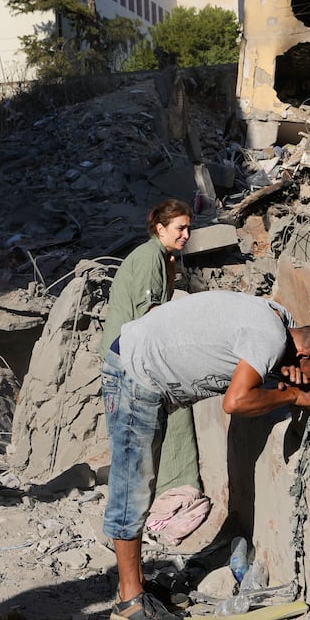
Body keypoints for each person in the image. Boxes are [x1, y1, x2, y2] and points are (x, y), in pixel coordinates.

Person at [101, 291, 310, 620]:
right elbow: (236, 401)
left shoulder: (280, 320)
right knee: (132, 487)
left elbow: (261, 361)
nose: (303, 379)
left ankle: (137, 585)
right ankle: (129, 600)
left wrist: (286, 377)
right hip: (134, 375)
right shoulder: (269, 337)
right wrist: (293, 394)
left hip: (138, 364)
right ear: (301, 353)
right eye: (309, 373)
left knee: (141, 485)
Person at [102, 200, 205, 541]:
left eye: (188, 228)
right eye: (180, 228)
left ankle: (162, 497)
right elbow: (150, 312)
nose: (186, 235)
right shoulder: (149, 257)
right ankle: (150, 510)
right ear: (160, 229)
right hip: (128, 357)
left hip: (137, 352)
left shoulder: (164, 258)